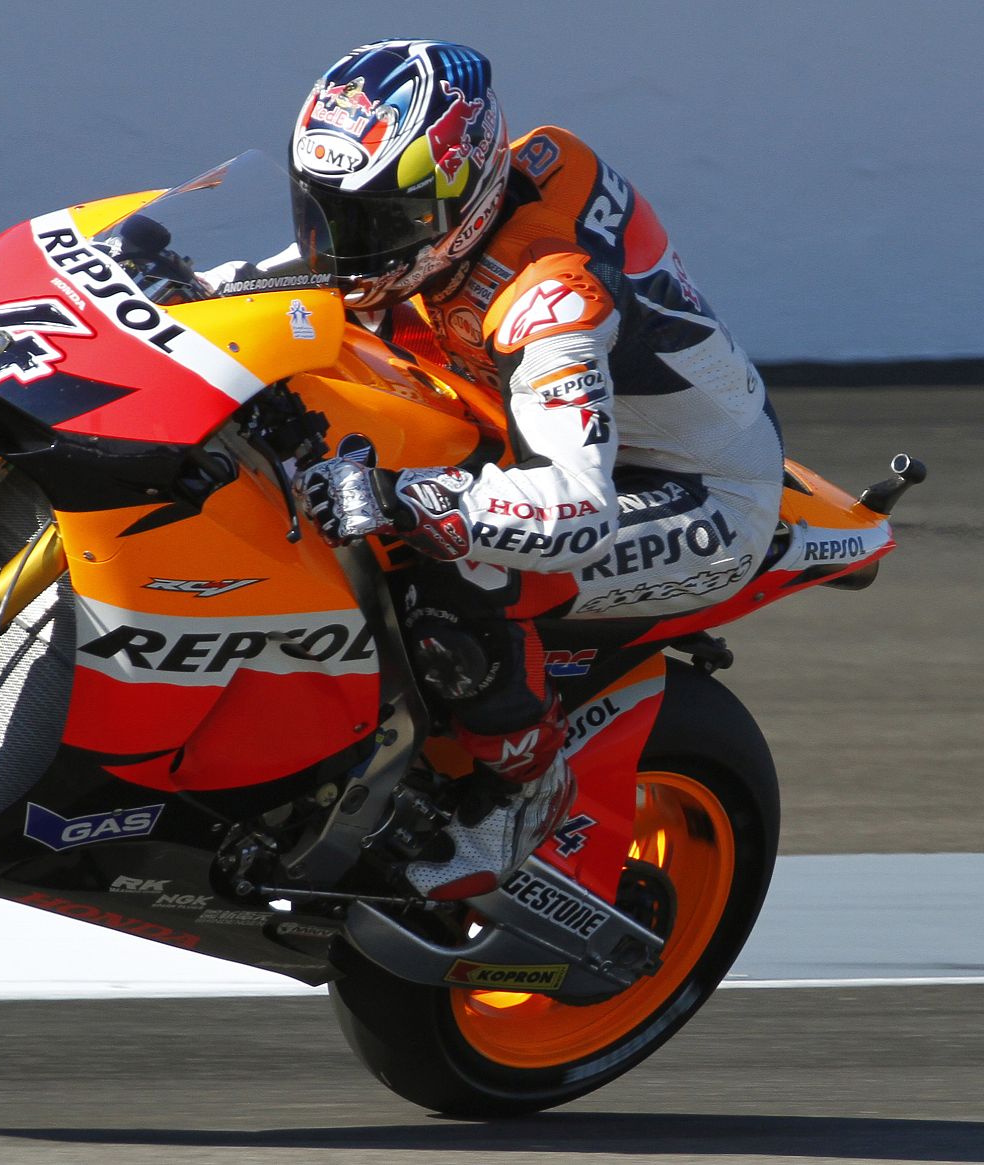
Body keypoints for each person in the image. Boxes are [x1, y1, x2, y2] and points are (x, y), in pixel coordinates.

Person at [291, 40, 784, 901]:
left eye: (379, 223)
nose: (346, 247)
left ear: (466, 193)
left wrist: (412, 499)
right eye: (327, 214)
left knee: (458, 563)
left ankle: (523, 793)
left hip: (683, 490)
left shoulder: (548, 296)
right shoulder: (452, 216)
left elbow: (575, 511)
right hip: (524, 421)